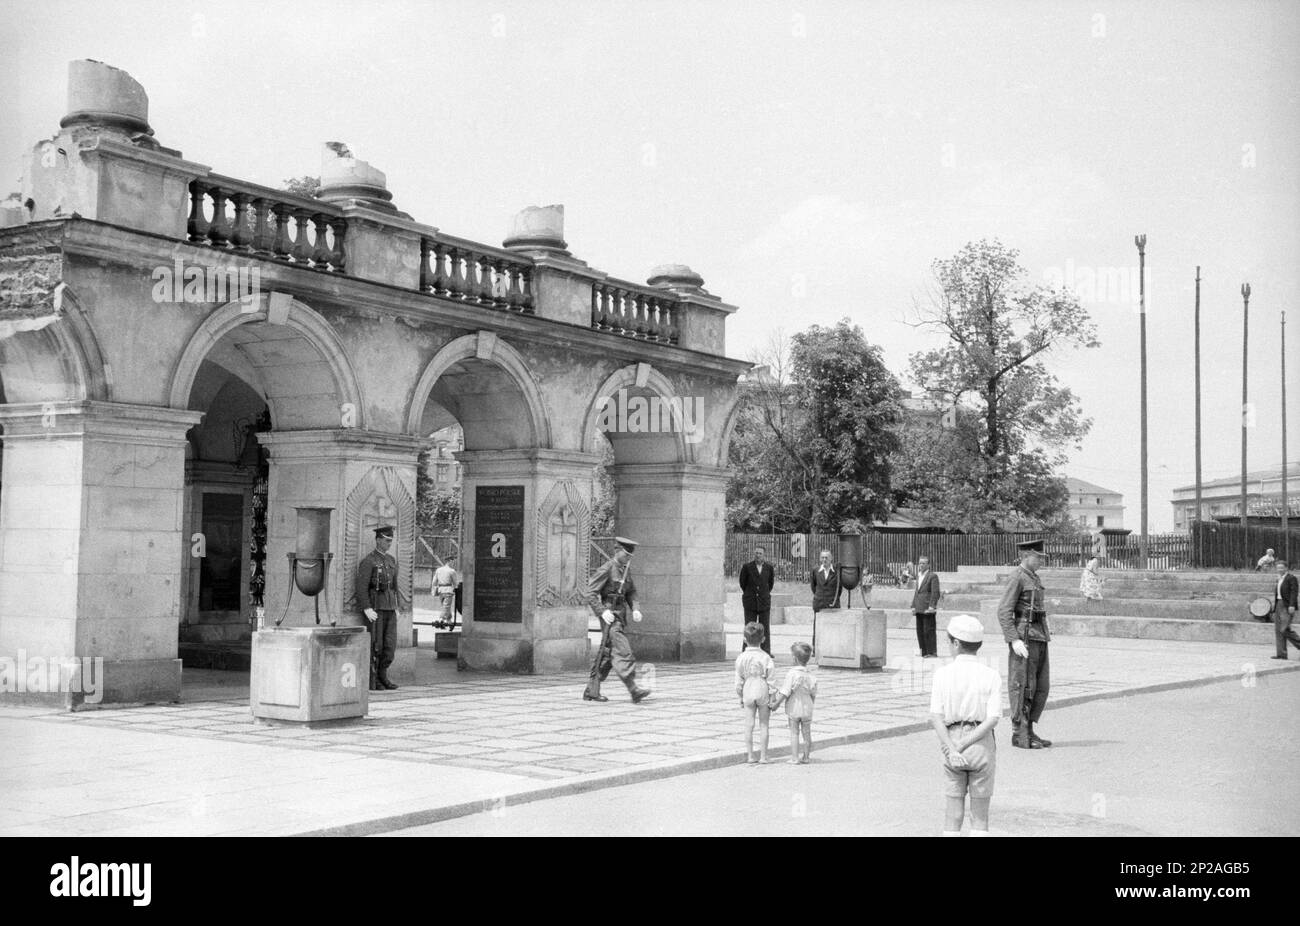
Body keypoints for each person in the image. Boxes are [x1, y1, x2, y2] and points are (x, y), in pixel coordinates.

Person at [928, 614, 1002, 837]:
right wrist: (964, 744)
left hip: (950, 741)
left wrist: (953, 747)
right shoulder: (991, 675)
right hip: (980, 743)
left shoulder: (942, 674)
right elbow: (993, 718)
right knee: (979, 816)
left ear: (956, 643)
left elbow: (935, 716)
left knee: (953, 814)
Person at [996, 539, 1051, 749]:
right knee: (1023, 686)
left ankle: (1030, 731)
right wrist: (1013, 639)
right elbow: (1003, 610)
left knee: (1040, 686)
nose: (1040, 561)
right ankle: (1019, 733)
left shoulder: (1034, 578)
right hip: (1025, 638)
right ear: (1026, 555)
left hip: (1040, 636)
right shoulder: (1017, 577)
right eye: (1038, 557)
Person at [583, 537, 651, 703]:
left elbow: (631, 592)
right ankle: (633, 689)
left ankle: (592, 690)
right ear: (617, 551)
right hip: (610, 618)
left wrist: (635, 608)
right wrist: (601, 611)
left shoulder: (625, 570)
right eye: (626, 554)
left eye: (630, 556)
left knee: (607, 655)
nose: (628, 558)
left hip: (620, 616)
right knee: (623, 651)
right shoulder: (607, 568)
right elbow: (589, 592)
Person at [356, 525, 399, 691]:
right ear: (378, 539)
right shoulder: (369, 561)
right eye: (386, 540)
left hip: (389, 607)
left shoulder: (391, 560)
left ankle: (383, 675)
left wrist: (398, 605)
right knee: (376, 645)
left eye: (391, 541)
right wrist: (366, 608)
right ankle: (373, 680)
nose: (389, 543)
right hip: (375, 608)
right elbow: (361, 587)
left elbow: (394, 586)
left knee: (390, 644)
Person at [734, 622, 776, 764]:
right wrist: (773, 695)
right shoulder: (766, 657)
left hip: (748, 688)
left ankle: (750, 755)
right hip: (762, 688)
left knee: (749, 724)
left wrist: (740, 695)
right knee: (764, 724)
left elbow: (738, 680)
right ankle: (764, 756)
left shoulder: (741, 658)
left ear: (745, 640)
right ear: (763, 639)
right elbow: (771, 679)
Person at [771, 641, 817, 764]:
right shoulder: (811, 675)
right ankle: (806, 757)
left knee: (794, 732)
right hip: (807, 707)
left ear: (794, 658)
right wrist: (811, 705)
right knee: (807, 733)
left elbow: (785, 692)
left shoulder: (791, 674)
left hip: (794, 707)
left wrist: (776, 704)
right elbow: (813, 694)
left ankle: (795, 758)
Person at [738, 546, 775, 654]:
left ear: (764, 555)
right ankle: (746, 650)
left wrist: (763, 594)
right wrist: (750, 593)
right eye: (756, 553)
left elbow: (770, 584)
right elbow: (742, 583)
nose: (758, 555)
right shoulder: (747, 567)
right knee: (749, 627)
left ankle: (766, 651)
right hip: (750, 602)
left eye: (760, 553)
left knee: (765, 628)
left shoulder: (769, 568)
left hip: (764, 602)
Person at [911, 555, 941, 657]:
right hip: (919, 607)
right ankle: (923, 652)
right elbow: (917, 592)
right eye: (920, 563)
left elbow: (935, 592)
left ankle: (932, 652)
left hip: (928, 607)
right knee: (920, 631)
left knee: (928, 630)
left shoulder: (933, 576)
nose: (921, 565)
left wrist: (932, 606)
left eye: (924, 563)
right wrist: (913, 605)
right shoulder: (919, 576)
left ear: (928, 565)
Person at [1271, 559, 1300, 660]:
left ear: (1286, 568)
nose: (1279, 569)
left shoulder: (1291, 578)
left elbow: (1294, 592)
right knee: (1278, 630)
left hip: (1287, 605)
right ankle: (1281, 654)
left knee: (1284, 629)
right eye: (1278, 567)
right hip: (1278, 604)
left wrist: (1292, 605)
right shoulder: (1279, 578)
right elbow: (1278, 594)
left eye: (1281, 567)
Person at [432, 556, 458, 628]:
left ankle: (449, 621)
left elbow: (434, 581)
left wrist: (434, 590)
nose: (454, 563)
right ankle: (441, 620)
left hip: (441, 590)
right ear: (449, 561)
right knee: (446, 606)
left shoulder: (439, 570)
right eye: (453, 561)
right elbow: (455, 583)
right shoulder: (452, 571)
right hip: (448, 590)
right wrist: (457, 590)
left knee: (445, 606)